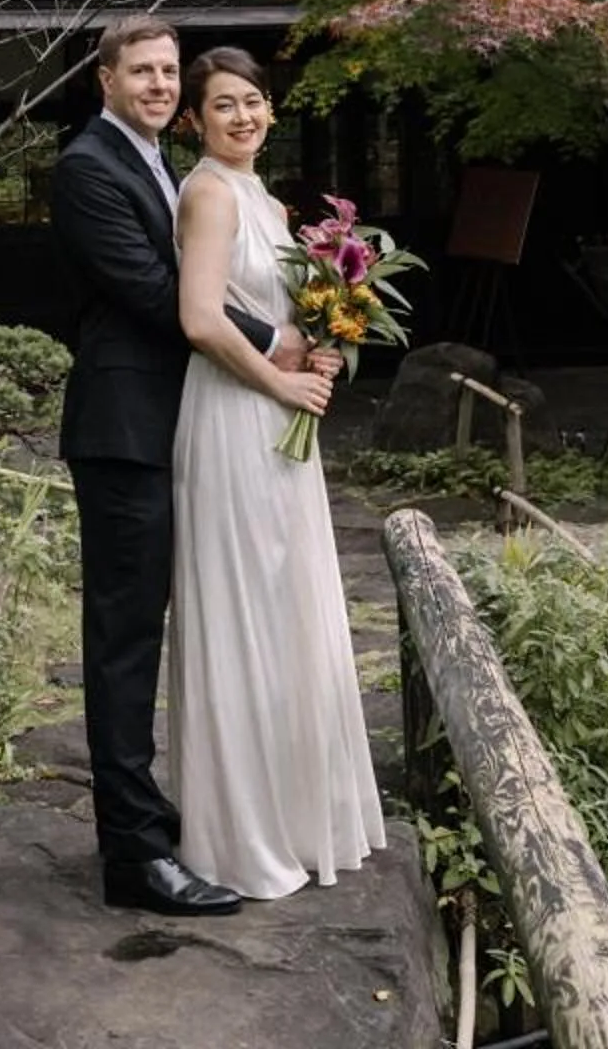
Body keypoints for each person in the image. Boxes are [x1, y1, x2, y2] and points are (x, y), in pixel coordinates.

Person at [52, 15, 337, 916]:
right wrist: (274, 342)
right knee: (127, 639)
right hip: (124, 430)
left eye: (168, 71)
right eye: (141, 70)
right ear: (105, 79)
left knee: (192, 621)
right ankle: (134, 855)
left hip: (184, 427)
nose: (158, 84)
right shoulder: (87, 168)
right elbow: (154, 288)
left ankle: (160, 815)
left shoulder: (160, 166)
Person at [168, 45, 386, 898]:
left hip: (280, 412)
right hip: (229, 414)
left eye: (253, 100)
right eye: (223, 105)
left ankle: (299, 816)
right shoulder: (210, 194)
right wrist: (282, 379)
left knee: (287, 598)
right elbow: (198, 318)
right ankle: (239, 833)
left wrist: (325, 347)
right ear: (194, 120)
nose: (243, 116)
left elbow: (280, 315)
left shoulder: (263, 196)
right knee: (246, 604)